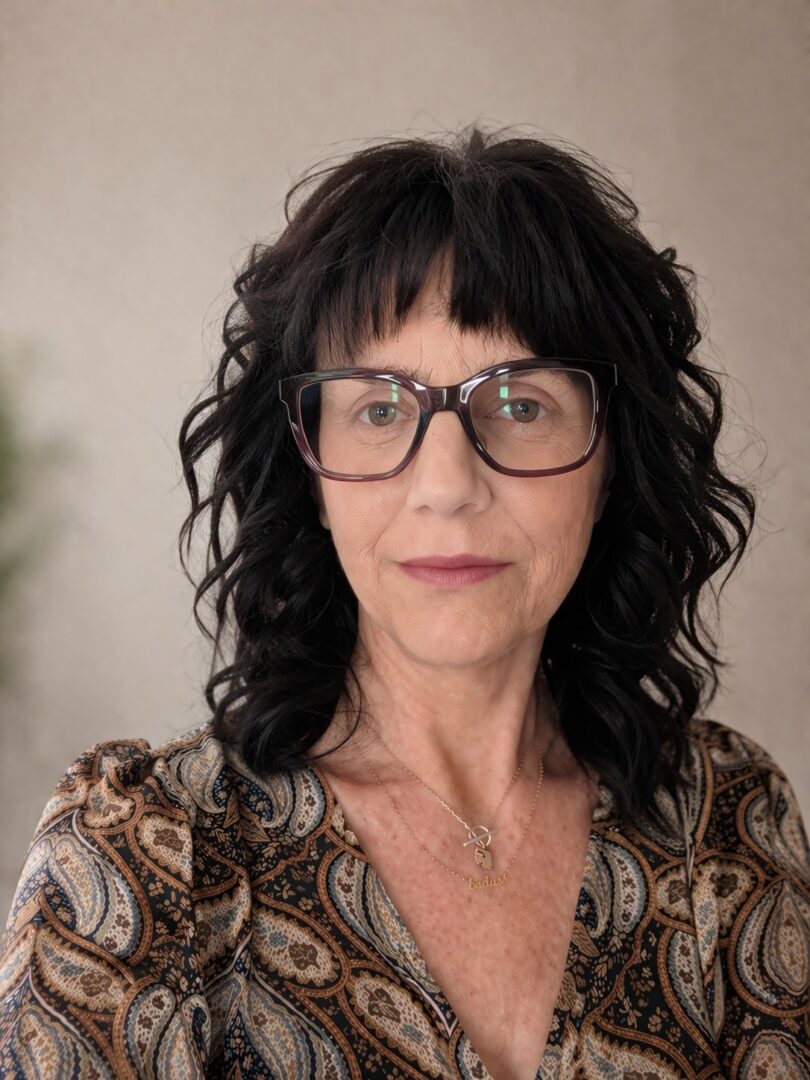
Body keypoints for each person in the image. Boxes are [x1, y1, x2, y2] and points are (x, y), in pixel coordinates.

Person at [0, 125, 807, 1080]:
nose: (447, 486)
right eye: (379, 409)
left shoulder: (726, 824)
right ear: (310, 473)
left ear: (612, 460)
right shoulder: (142, 856)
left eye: (521, 404)